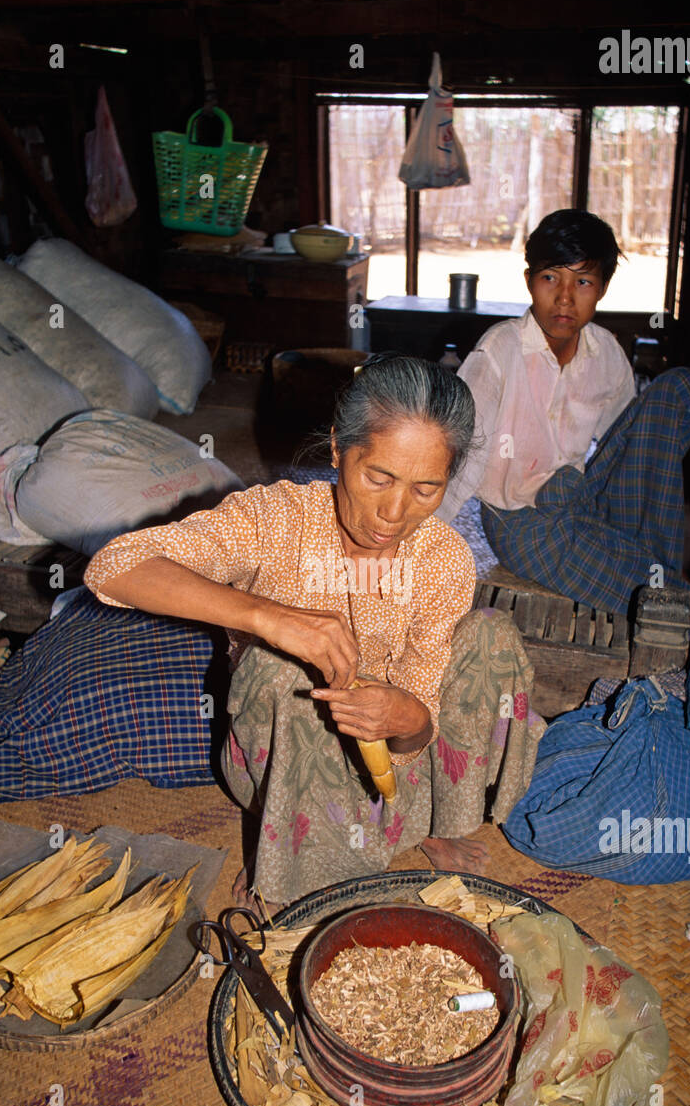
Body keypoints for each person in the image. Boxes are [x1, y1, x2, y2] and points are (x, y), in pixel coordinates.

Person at [83, 354, 544, 909]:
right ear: (336, 450)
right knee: (283, 670)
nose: (394, 512)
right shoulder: (275, 520)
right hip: (285, 764)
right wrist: (270, 619)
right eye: (377, 477)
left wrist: (408, 716)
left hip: (395, 770)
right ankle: (287, 855)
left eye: (426, 490)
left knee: (492, 636)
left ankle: (434, 823)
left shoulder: (443, 557)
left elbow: (420, 730)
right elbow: (113, 567)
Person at [436, 209, 690, 616]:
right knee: (661, 597)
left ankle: (656, 567)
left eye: (582, 282)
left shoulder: (606, 353)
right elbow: (465, 450)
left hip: (579, 497)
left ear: (601, 289)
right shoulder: (499, 351)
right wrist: (419, 537)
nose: (564, 298)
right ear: (529, 281)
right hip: (523, 520)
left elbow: (630, 450)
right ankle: (688, 604)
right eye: (551, 278)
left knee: (683, 387)